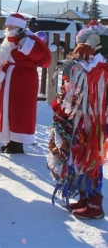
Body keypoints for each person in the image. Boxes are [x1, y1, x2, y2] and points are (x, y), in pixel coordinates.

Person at [48, 35, 107, 219]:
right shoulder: (91, 69)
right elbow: (72, 90)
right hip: (82, 122)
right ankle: (84, 197)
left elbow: (90, 94)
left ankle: (94, 205)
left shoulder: (100, 71)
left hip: (93, 125)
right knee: (80, 161)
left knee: (91, 162)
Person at [0, 13, 52, 154]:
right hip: (11, 78)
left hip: (24, 80)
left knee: (20, 111)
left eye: (11, 25)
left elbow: (41, 57)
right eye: (7, 25)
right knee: (8, 109)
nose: (8, 27)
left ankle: (17, 143)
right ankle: (9, 140)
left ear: (19, 27)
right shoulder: (10, 39)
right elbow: (6, 57)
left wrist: (24, 43)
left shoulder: (30, 39)